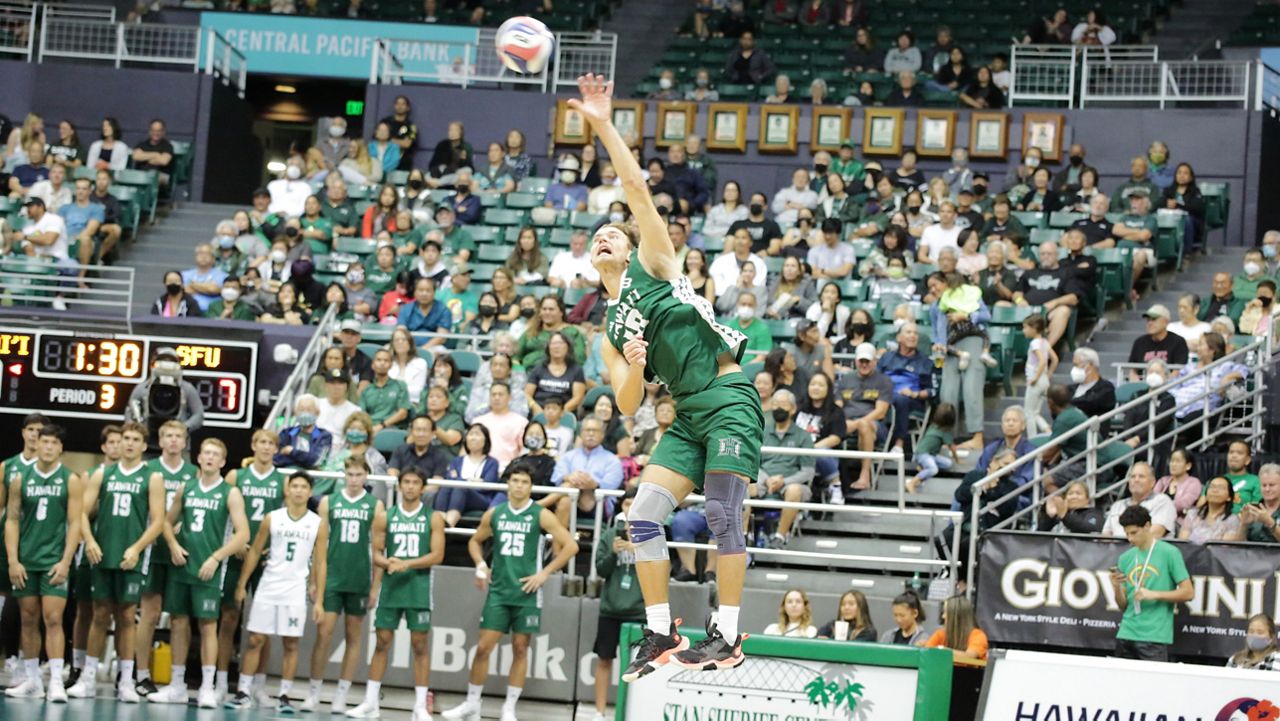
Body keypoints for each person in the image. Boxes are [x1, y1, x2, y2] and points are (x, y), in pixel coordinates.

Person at [572, 73, 764, 676]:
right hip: (684, 415)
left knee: (723, 514)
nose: (604, 235)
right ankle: (661, 634)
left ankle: (727, 634)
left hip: (728, 395)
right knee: (642, 514)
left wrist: (603, 125)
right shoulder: (608, 325)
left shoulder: (655, 265)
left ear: (630, 248)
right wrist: (631, 366)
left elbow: (634, 186)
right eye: (595, 235)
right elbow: (628, 405)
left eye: (613, 232)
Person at [442, 469, 578, 721]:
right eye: (515, 480)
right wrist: (481, 565)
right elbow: (475, 541)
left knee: (520, 648)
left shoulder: (541, 514)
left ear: (530, 487)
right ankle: (472, 703)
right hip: (499, 592)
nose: (519, 485)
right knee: (483, 648)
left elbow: (571, 546)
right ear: (507, 485)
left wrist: (544, 573)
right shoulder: (495, 513)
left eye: (524, 481)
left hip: (527, 593)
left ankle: (509, 708)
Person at [147, 439, 249, 708]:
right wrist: (173, 544)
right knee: (178, 622)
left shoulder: (230, 492)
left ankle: (207, 687)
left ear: (223, 462)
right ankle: (177, 685)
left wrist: (216, 558)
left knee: (207, 626)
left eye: (216, 454)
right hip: (182, 566)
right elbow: (166, 522)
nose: (210, 458)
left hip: (208, 570)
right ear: (200, 458)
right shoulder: (186, 486)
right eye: (206, 453)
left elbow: (243, 534)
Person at [66, 422, 161, 703]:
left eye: (134, 440)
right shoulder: (103, 473)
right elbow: (80, 513)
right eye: (125, 439)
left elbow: (157, 522)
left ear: (144, 446)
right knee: (99, 615)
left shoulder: (152, 477)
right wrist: (91, 541)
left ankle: (127, 682)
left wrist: (136, 548)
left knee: (127, 617)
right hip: (103, 554)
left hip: (131, 557)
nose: (129, 444)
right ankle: (87, 679)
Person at [345, 469, 444, 721]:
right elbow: (376, 553)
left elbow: (437, 555)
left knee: (420, 645)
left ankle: (420, 706)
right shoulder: (385, 516)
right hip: (391, 588)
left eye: (415, 483)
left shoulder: (433, 518)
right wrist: (388, 562)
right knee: (381, 643)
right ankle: (370, 702)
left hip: (418, 588)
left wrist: (406, 564)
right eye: (406, 482)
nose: (410, 487)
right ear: (399, 486)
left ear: (423, 488)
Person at [224, 471, 321, 713]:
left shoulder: (317, 523)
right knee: (256, 638)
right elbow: (255, 551)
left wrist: (318, 599)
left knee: (290, 642)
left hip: (295, 589)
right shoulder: (272, 518)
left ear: (310, 492)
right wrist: (241, 584)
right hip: (269, 584)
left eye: (303, 487)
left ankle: (285, 695)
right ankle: (243, 691)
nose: (298, 490)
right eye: (295, 486)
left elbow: (321, 562)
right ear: (287, 490)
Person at [4, 424, 83, 702]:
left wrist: (65, 561)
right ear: (37, 444)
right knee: (27, 619)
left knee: (52, 619)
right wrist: (13, 560)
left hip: (53, 561)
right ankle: (33, 680)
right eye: (44, 442)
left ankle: (57, 683)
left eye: (53, 443)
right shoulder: (20, 479)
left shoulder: (70, 479)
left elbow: (75, 523)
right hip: (27, 560)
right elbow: (12, 519)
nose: (48, 447)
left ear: (61, 448)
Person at [302, 458, 386, 713]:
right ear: (343, 476)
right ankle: (313, 693)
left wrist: (375, 587)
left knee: (353, 636)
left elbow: (379, 549)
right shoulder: (329, 502)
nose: (353, 479)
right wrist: (314, 580)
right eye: (349, 474)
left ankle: (341, 695)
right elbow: (320, 546)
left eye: (358, 474)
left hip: (359, 578)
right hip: (333, 577)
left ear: (367, 477)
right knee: (324, 634)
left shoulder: (375, 505)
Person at [1108, 505, 1193, 662]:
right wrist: (1116, 587)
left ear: (1147, 526)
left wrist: (1154, 594)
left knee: (1153, 685)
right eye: (1127, 534)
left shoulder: (1170, 552)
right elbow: (1123, 606)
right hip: (1126, 632)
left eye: (1134, 533)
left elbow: (1188, 593)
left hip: (1154, 635)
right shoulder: (1126, 557)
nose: (1130, 539)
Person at [591, 488, 645, 721]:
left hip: (638, 612)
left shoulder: (652, 536)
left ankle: (631, 712)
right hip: (610, 609)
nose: (630, 509)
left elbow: (663, 573)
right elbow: (601, 570)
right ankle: (599, 713)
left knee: (637, 667)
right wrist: (613, 553)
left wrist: (640, 552)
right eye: (626, 505)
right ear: (621, 508)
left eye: (635, 504)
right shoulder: (610, 535)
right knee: (604, 660)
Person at [836, 343, 893, 491]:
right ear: (855, 361)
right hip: (847, 422)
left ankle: (865, 474)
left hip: (875, 425)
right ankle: (832, 478)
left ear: (875, 361)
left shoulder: (883, 381)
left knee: (864, 425)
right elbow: (837, 406)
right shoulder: (845, 379)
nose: (864, 364)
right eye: (861, 361)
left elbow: (880, 412)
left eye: (868, 361)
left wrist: (858, 423)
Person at [1101, 462, 1178, 538]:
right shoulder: (1117, 506)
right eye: (1133, 477)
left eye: (1141, 476)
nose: (1136, 480)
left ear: (1152, 482)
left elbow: (1155, 534)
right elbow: (1105, 536)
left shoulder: (1162, 501)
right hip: (1114, 550)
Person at [907, 403, 958, 494]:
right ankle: (912, 482)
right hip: (923, 454)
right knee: (934, 469)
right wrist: (957, 460)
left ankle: (923, 467)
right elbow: (952, 448)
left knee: (948, 463)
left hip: (929, 454)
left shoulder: (933, 426)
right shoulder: (945, 431)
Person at [1178, 476, 1245, 543]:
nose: (1215, 490)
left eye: (1220, 488)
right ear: (1206, 494)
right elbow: (1183, 543)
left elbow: (1225, 548)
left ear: (1229, 497)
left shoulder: (1233, 520)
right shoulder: (1192, 514)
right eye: (1212, 487)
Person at [925, 595, 988, 662]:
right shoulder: (941, 633)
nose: (943, 616)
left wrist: (942, 650)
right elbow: (926, 652)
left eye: (946, 612)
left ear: (956, 617)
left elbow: (969, 656)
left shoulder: (978, 635)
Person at [1023, 314, 1057, 434]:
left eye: (1025, 327)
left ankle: (1032, 441)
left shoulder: (1035, 343)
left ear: (1034, 328)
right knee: (1035, 412)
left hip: (1036, 381)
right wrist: (1047, 375)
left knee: (1029, 413)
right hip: (1044, 381)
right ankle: (1048, 431)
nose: (1024, 331)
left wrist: (1035, 377)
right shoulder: (1045, 342)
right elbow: (1055, 359)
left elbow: (1042, 361)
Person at [1036, 480, 1104, 534]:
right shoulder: (1059, 514)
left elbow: (1090, 529)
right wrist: (1048, 516)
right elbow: (1040, 533)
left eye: (1078, 493)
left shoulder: (1095, 513)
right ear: (1065, 498)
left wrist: (1065, 516)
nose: (1074, 497)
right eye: (1070, 494)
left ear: (1087, 499)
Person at [1241, 463, 1280, 543]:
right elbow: (1236, 544)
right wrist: (1244, 525)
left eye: (1272, 485)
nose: (1267, 489)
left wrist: (1270, 523)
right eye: (1264, 485)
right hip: (1252, 554)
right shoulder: (1252, 509)